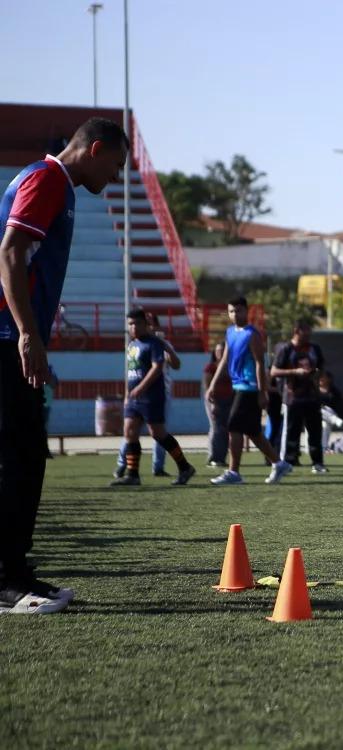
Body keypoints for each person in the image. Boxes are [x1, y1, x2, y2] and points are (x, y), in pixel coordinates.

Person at [0, 117, 128, 614]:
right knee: (17, 458)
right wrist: (27, 334)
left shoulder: (59, 185)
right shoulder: (47, 178)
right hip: (6, 338)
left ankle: (16, 570)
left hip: (16, 338)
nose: (115, 178)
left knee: (27, 457)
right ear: (94, 149)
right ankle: (6, 581)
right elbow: (9, 252)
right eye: (114, 166)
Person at [206, 296, 292, 485]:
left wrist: (262, 392)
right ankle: (279, 464)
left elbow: (260, 364)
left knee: (234, 426)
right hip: (237, 386)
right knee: (253, 432)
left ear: (246, 311)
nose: (235, 314)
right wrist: (213, 384)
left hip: (249, 387)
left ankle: (233, 472)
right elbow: (225, 359)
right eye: (231, 311)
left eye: (238, 310)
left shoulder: (252, 334)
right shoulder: (230, 332)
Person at [110, 309, 196, 487]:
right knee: (129, 432)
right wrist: (128, 393)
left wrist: (141, 388)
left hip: (151, 396)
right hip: (134, 397)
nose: (133, 327)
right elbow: (130, 372)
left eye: (137, 323)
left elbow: (157, 368)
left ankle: (185, 467)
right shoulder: (132, 344)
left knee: (158, 434)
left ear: (145, 325)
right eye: (130, 324)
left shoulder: (155, 343)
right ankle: (132, 474)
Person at [271, 321, 328, 474]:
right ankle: (288, 463)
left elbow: (322, 367)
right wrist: (295, 372)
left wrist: (318, 376)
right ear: (296, 331)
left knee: (315, 432)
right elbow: (274, 371)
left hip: (313, 397)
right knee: (291, 432)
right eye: (306, 331)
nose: (309, 335)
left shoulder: (314, 348)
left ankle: (318, 463)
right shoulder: (286, 349)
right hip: (292, 398)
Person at [203, 340, 233, 466]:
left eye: (222, 351)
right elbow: (207, 385)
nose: (220, 353)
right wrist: (213, 402)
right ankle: (213, 457)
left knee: (226, 430)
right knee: (216, 429)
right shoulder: (211, 367)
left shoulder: (231, 367)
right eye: (218, 351)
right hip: (215, 400)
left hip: (229, 400)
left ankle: (222, 458)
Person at [318, 370, 343, 454]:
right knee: (324, 424)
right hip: (317, 414)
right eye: (320, 377)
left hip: (331, 412)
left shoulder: (334, 391)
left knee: (326, 417)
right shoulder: (314, 390)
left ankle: (323, 448)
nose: (321, 379)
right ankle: (324, 448)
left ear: (328, 379)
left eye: (323, 377)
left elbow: (338, 405)